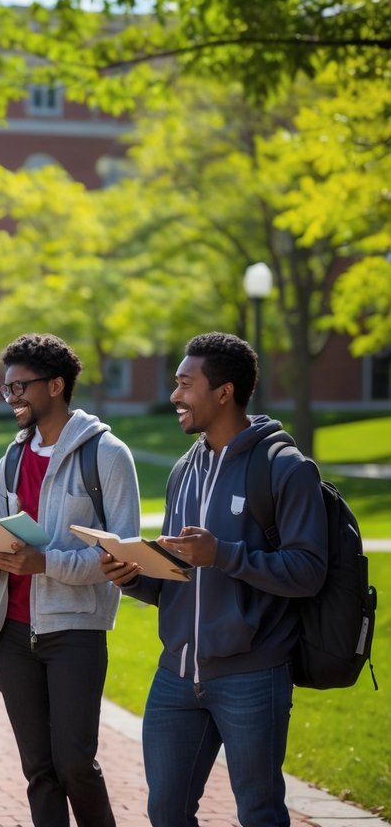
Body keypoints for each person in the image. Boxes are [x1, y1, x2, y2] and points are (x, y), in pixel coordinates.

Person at [102, 332, 327, 827]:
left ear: (223, 392)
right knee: (166, 811)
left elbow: (309, 572)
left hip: (253, 673)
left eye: (185, 384)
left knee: (260, 813)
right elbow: (178, 576)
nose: (174, 396)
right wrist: (132, 576)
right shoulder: (184, 470)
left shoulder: (284, 468)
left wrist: (221, 554)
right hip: (176, 677)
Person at [0, 333, 140, 827]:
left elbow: (121, 552)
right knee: (39, 770)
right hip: (15, 635)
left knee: (74, 765)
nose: (13, 398)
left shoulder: (106, 454)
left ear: (57, 385)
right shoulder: (13, 458)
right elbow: (2, 540)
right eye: (7, 389)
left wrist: (46, 563)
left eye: (21, 387)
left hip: (75, 632)